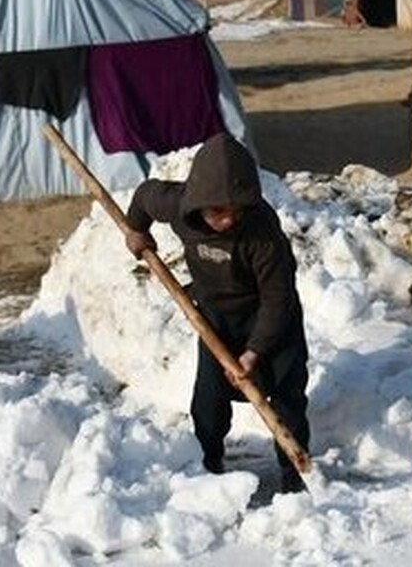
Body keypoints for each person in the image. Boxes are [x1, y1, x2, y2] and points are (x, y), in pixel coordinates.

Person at [123, 132, 310, 493]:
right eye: (218, 212)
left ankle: (293, 475)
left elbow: (278, 298)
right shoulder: (179, 205)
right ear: (198, 203)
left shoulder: (262, 234)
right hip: (216, 318)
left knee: (286, 397)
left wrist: (254, 353)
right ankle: (209, 466)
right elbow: (146, 196)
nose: (227, 220)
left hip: (270, 317)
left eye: (236, 210)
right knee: (208, 398)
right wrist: (136, 231)